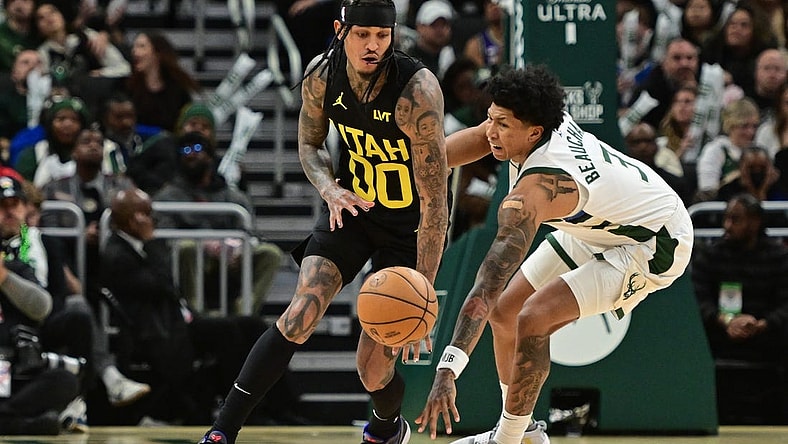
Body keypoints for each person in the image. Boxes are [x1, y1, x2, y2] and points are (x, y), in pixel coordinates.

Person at [198, 0, 449, 441]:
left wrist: (423, 288)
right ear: (340, 29)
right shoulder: (321, 74)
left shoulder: (417, 91)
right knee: (299, 313)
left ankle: (388, 427)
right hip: (353, 208)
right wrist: (330, 189)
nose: (373, 46)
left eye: (382, 36)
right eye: (362, 35)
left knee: (372, 370)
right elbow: (310, 144)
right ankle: (222, 431)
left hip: (408, 226)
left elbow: (435, 204)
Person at [415, 65, 693, 444]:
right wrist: (404, 172)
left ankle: (509, 440)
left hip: (654, 242)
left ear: (534, 133)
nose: (491, 131)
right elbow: (476, 140)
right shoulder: (536, 117)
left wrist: (448, 370)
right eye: (490, 118)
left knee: (534, 316)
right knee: (506, 313)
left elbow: (485, 286)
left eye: (502, 125)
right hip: (605, 222)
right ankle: (524, 431)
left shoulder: (536, 193)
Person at [102, 187, 302, 425]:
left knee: (254, 327)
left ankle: (287, 405)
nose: (153, 220)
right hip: (160, 334)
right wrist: (151, 242)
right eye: (146, 213)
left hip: (178, 322)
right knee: (228, 334)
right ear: (132, 219)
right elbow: (161, 285)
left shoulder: (136, 247)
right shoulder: (117, 254)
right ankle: (245, 412)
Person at [153, 132, 283, 315]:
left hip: (230, 259)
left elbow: (248, 232)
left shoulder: (234, 196)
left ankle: (245, 309)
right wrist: (204, 244)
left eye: (197, 149)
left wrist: (236, 250)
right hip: (191, 260)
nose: (191, 154)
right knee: (187, 247)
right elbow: (165, 237)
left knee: (270, 253)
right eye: (185, 150)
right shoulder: (166, 197)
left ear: (209, 156)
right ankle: (196, 311)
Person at [691, 193, 788, 422]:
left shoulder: (779, 257)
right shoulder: (711, 255)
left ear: (755, 222)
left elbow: (785, 303)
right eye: (726, 219)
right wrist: (725, 320)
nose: (727, 226)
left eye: (735, 220)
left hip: (767, 339)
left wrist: (762, 324)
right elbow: (699, 299)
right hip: (720, 336)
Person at [124, 32, 200, 132]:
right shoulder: (128, 87)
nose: (134, 51)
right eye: (134, 47)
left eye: (141, 46)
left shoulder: (178, 89)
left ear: (157, 53)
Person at [695, 97, 760, 202]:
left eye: (754, 126)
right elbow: (707, 190)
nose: (750, 132)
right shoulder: (715, 150)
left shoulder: (758, 151)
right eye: (744, 126)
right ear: (730, 125)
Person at [627, 37, 700, 128]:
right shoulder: (649, 90)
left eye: (689, 58)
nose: (684, 64)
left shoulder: (707, 80)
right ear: (664, 62)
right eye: (677, 58)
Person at [626, 122, 692, 204]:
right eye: (637, 142)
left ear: (656, 145)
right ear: (627, 146)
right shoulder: (620, 182)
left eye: (648, 141)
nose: (643, 147)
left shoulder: (674, 184)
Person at [398, 0, 455, 79]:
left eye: (444, 24)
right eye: (434, 25)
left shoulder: (452, 57)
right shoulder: (408, 60)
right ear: (419, 27)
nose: (440, 30)